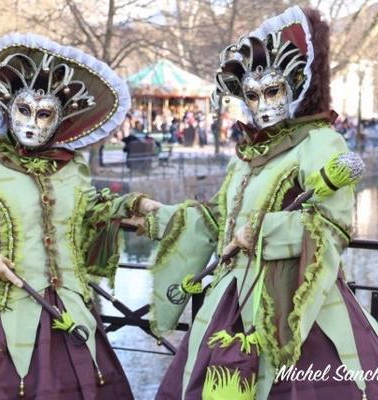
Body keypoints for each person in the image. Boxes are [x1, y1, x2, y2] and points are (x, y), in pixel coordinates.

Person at [131, 6, 378, 400]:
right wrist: (159, 217)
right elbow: (217, 220)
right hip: (228, 299)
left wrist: (263, 231)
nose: (263, 103)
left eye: (272, 90)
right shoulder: (246, 154)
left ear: (294, 86)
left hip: (291, 301)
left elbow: (332, 227)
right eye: (252, 94)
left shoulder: (318, 142)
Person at [0, 33, 152, 399]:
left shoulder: (71, 167)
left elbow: (89, 210)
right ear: (8, 106)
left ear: (60, 119)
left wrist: (134, 207)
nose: (33, 123)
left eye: (45, 115)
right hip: (4, 314)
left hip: (73, 311)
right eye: (25, 111)